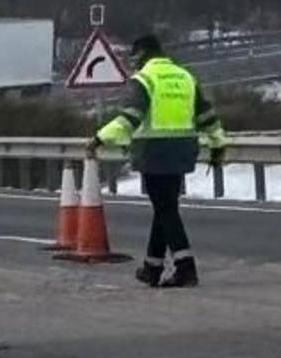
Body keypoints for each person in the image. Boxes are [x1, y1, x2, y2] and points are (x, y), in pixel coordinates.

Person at [90, 34, 228, 289]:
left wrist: (100, 139)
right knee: (165, 209)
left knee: (165, 210)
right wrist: (218, 144)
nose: (133, 63)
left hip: (154, 151)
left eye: (134, 58)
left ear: (141, 54)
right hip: (182, 151)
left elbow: (128, 119)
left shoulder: (144, 79)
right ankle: (152, 268)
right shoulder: (185, 77)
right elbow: (207, 115)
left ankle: (186, 267)